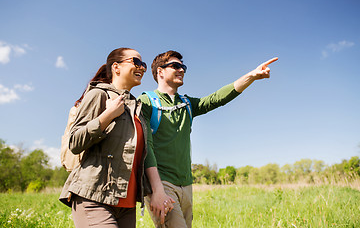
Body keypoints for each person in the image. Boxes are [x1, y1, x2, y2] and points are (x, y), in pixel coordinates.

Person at [138, 50, 278, 227]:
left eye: (183, 67)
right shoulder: (147, 102)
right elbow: (144, 145)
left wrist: (251, 76)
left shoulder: (187, 104)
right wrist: (155, 190)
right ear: (160, 72)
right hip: (161, 184)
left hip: (186, 184)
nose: (181, 70)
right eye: (175, 66)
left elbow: (217, 98)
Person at [59, 48, 174, 228]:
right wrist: (107, 116)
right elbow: (75, 142)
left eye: (143, 64)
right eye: (136, 62)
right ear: (116, 67)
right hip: (94, 197)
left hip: (126, 204)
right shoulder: (99, 94)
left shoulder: (137, 108)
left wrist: (157, 190)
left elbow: (146, 153)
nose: (142, 68)